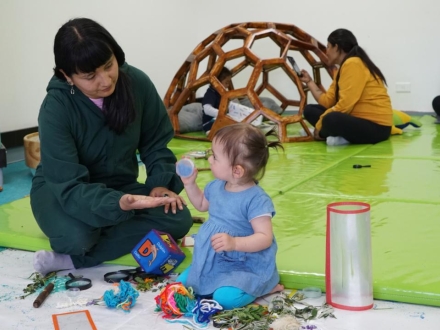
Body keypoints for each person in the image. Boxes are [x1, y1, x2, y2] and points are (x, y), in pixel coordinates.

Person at [30, 18, 193, 275]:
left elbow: (156, 144)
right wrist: (118, 205)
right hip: (62, 190)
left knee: (178, 218)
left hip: (119, 185)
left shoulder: (136, 82)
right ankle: (88, 239)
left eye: (109, 66)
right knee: (77, 238)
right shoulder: (56, 108)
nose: (105, 81)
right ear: (66, 76)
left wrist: (160, 184)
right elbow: (68, 184)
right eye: (90, 76)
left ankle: (73, 260)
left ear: (116, 55)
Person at [176, 123, 284, 310]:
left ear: (237, 170)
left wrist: (235, 243)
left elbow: (265, 238)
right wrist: (189, 184)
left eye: (215, 157)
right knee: (181, 285)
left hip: (243, 265)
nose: (209, 160)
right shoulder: (217, 185)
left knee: (225, 299)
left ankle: (264, 286)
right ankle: (207, 277)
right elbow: (201, 204)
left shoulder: (256, 199)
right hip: (213, 259)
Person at [299, 28, 393, 145]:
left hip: (377, 127)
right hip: (356, 119)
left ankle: (327, 134)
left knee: (331, 119)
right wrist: (309, 82)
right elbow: (327, 101)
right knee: (310, 110)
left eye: (328, 47)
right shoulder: (342, 68)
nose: (326, 52)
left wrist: (320, 124)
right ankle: (336, 135)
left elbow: (345, 105)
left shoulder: (353, 63)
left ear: (337, 47)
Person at [202, 67, 232, 134]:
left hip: (221, 120)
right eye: (226, 83)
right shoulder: (210, 93)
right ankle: (211, 132)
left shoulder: (222, 94)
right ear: (216, 82)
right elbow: (207, 109)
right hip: (209, 123)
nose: (228, 85)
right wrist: (222, 114)